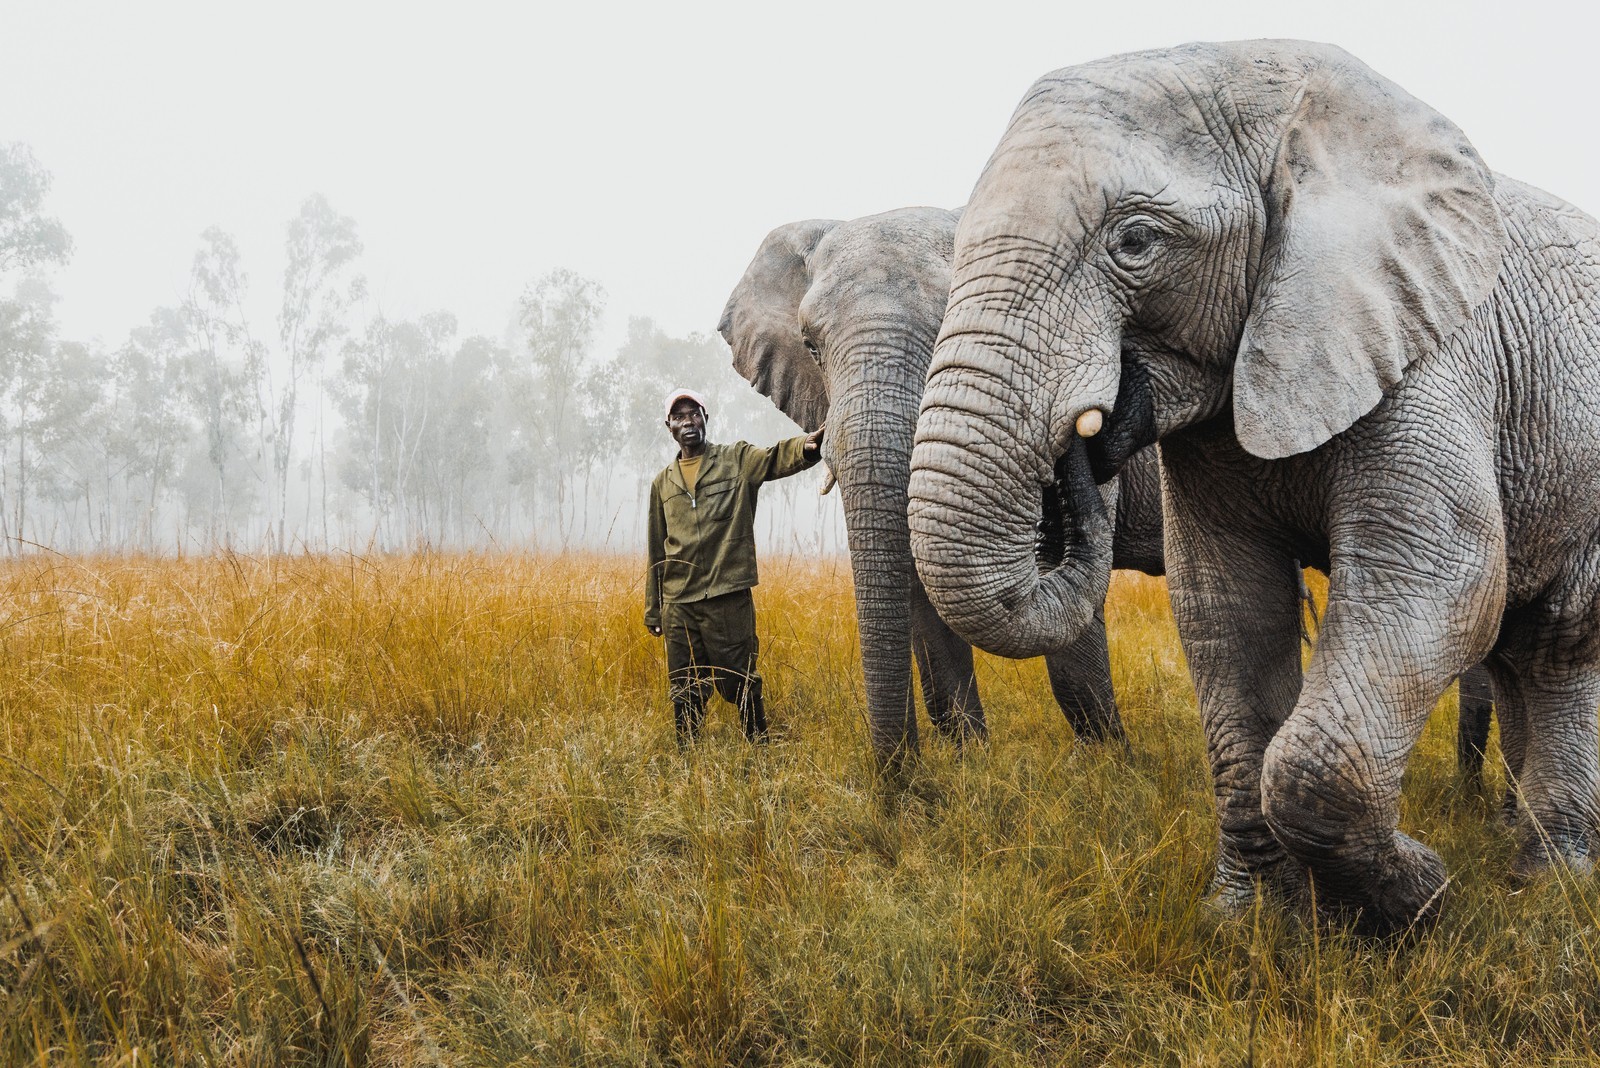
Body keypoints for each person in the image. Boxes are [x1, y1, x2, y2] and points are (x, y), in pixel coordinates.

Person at [645, 388, 824, 744]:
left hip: (727, 595)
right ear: (669, 427)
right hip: (679, 603)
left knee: (740, 678)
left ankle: (758, 747)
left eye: (693, 413)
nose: (687, 422)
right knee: (684, 685)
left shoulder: (735, 459)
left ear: (706, 418)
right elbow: (656, 549)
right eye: (678, 417)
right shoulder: (662, 483)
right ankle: (688, 757)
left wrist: (807, 447)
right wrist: (655, 610)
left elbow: (774, 458)